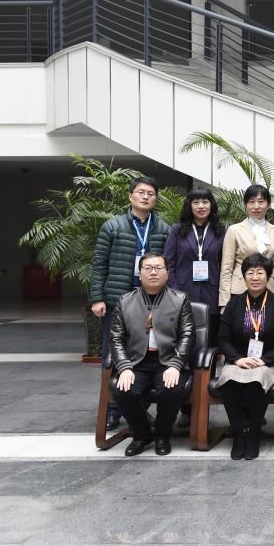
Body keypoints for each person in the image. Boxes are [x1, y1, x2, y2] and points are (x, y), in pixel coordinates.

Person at [91, 176, 170, 431]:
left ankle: (138, 408)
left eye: (151, 194)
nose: (146, 197)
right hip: (118, 300)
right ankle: (112, 410)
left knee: (147, 354)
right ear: (130, 196)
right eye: (141, 192)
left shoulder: (163, 229)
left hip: (152, 302)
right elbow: (99, 263)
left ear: (155, 199)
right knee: (114, 353)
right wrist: (97, 298)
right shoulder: (112, 226)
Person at [109, 252, 195, 457]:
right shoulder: (125, 301)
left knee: (171, 389)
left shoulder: (180, 299)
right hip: (137, 361)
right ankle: (142, 435)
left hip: (168, 360)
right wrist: (124, 367)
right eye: (148, 268)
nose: (153, 272)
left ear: (167, 273)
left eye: (158, 268)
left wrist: (176, 364)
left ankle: (163, 435)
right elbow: (115, 338)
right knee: (123, 390)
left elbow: (188, 335)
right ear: (139, 273)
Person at [215, 253, 274, 460]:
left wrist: (264, 360)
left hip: (268, 363)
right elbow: (222, 339)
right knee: (228, 381)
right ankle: (238, 433)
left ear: (268, 276)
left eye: (260, 272)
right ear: (244, 277)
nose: (255, 277)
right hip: (239, 361)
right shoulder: (234, 304)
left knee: (256, 381)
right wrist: (237, 359)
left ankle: (253, 435)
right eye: (250, 273)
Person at [163, 186, 227, 429]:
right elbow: (168, 263)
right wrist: (176, 291)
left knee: (208, 353)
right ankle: (186, 408)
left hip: (212, 298)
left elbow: (225, 264)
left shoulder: (221, 230)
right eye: (196, 202)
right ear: (189, 206)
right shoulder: (177, 230)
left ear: (212, 205)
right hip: (183, 297)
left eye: (205, 202)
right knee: (185, 352)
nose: (201, 206)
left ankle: (203, 404)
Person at [220, 184, 274, 305]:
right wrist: (224, 302)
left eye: (261, 202)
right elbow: (226, 269)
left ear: (268, 204)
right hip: (240, 289)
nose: (256, 206)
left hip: (270, 289)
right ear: (245, 205)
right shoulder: (234, 230)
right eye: (251, 202)